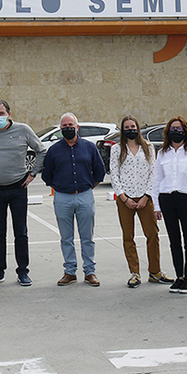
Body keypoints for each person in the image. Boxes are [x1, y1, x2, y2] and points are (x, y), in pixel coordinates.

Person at [0, 100, 46, 287]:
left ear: (9, 113)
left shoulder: (23, 130)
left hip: (18, 188)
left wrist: (32, 174)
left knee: (20, 231)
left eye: (2, 113)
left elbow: (41, 150)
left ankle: (23, 271)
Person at [42, 113, 106, 287]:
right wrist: (59, 187)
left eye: (71, 125)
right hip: (62, 198)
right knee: (66, 238)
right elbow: (47, 175)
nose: (67, 128)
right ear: (60, 129)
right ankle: (70, 271)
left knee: (87, 237)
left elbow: (99, 171)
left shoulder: (89, 148)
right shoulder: (54, 150)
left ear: (77, 127)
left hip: (85, 195)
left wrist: (88, 187)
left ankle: (90, 271)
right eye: (64, 126)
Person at [110, 115, 171, 288]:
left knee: (152, 234)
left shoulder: (149, 147)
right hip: (125, 199)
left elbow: (154, 173)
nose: (131, 130)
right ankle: (134, 273)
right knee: (128, 237)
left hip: (145, 198)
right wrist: (124, 198)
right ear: (123, 130)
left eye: (133, 126)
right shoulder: (117, 149)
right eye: (127, 127)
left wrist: (146, 196)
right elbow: (114, 174)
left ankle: (155, 271)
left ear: (138, 128)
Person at [152, 117, 187, 294]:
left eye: (179, 129)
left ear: (186, 131)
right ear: (168, 132)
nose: (176, 131)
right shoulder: (162, 153)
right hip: (167, 199)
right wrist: (156, 206)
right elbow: (157, 179)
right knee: (174, 240)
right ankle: (179, 276)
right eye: (173, 129)